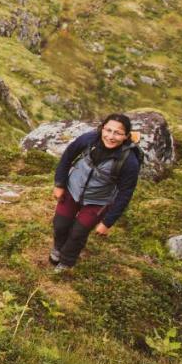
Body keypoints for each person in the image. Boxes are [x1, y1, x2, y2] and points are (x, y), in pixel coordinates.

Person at [49, 113, 141, 272]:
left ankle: (67, 262)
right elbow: (67, 156)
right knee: (60, 224)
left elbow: (125, 193)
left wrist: (107, 222)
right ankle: (58, 247)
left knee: (78, 233)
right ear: (101, 129)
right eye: (108, 130)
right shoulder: (88, 140)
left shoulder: (129, 161)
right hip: (72, 189)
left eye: (118, 133)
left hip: (98, 201)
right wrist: (59, 183)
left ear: (126, 136)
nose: (111, 136)